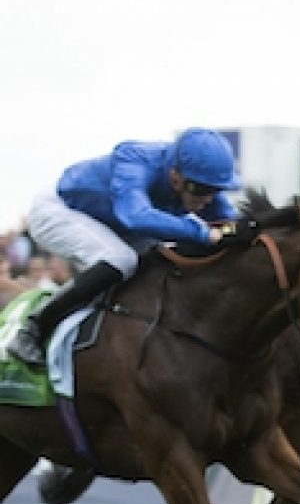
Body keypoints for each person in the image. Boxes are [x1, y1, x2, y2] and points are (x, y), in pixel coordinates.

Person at [5, 128, 242, 367]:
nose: (208, 198)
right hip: (60, 210)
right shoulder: (133, 159)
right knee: (121, 259)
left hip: (111, 223)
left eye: (216, 190)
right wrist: (203, 233)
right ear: (175, 176)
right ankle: (34, 328)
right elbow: (134, 216)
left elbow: (230, 225)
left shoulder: (199, 181)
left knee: (161, 259)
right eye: (201, 189)